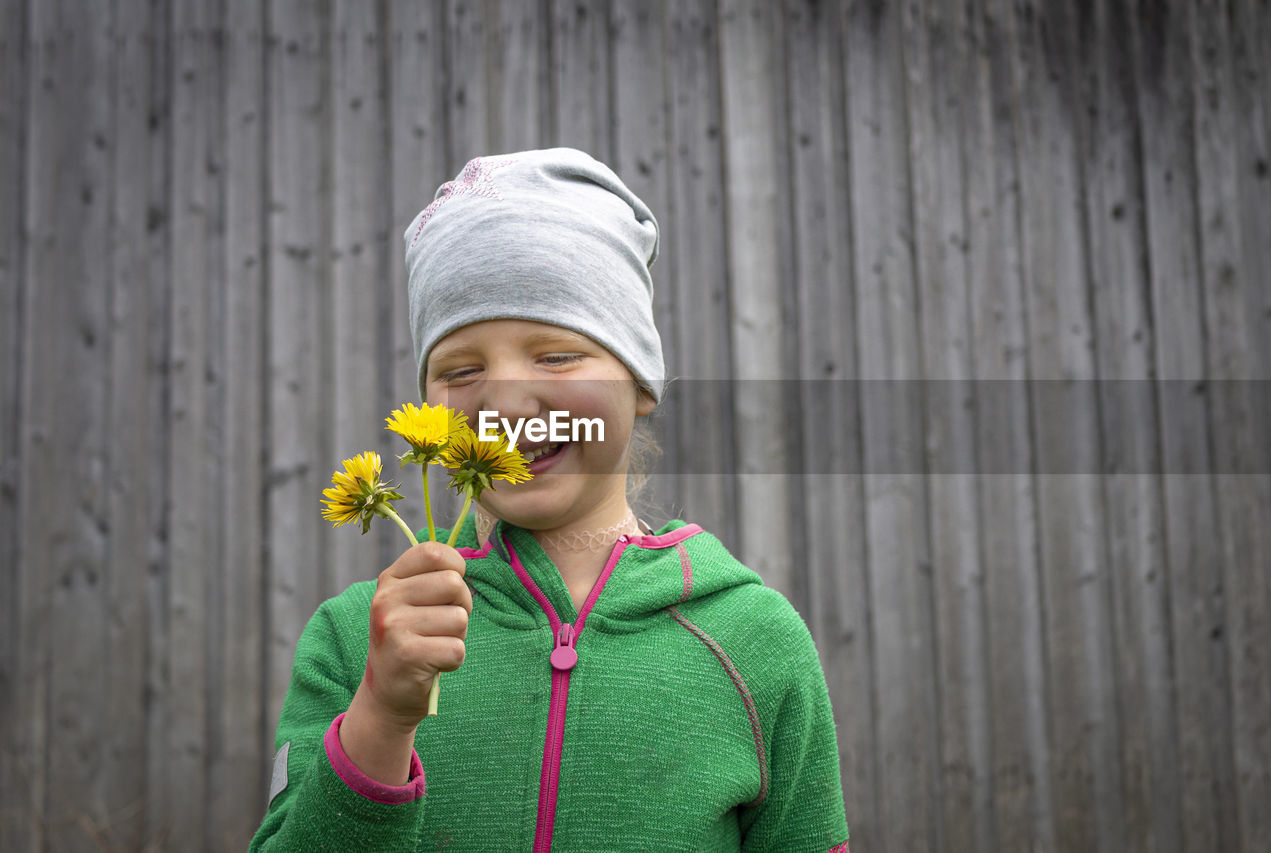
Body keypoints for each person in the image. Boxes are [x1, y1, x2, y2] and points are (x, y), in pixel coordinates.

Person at [249, 148, 849, 852]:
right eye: (462, 368)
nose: (504, 399)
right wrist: (381, 715)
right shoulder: (358, 643)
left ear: (640, 382)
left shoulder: (756, 642)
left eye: (557, 355)